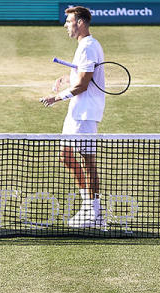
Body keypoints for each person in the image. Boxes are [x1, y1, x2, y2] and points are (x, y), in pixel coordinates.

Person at [40, 5, 107, 228]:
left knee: (88, 162)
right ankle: (87, 205)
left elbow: (85, 84)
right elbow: (81, 75)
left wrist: (56, 97)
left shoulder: (88, 46)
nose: (65, 25)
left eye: (69, 21)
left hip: (85, 113)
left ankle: (95, 214)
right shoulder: (85, 46)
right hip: (77, 112)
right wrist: (66, 78)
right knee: (66, 156)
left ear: (80, 23)